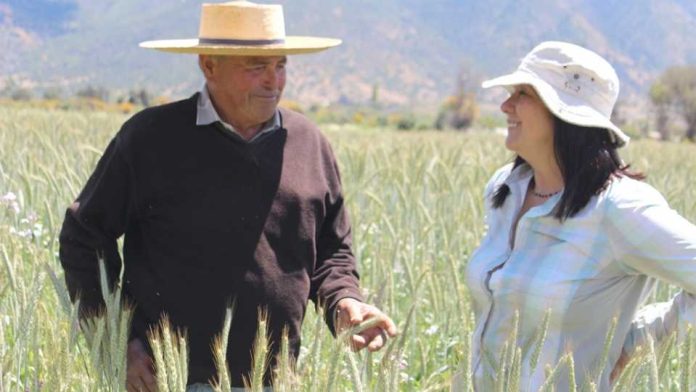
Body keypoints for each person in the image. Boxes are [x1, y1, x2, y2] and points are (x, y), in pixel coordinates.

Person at [58, 2, 396, 391]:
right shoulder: (150, 139)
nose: (274, 81)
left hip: (275, 381)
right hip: (170, 381)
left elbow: (332, 251)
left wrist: (344, 303)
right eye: (256, 67)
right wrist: (116, 343)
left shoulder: (310, 144)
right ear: (209, 65)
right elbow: (84, 236)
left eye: (281, 65)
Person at [466, 40, 696, 390]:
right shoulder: (506, 187)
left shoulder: (620, 208)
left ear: (565, 114)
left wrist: (633, 340)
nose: (505, 105)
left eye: (523, 93)